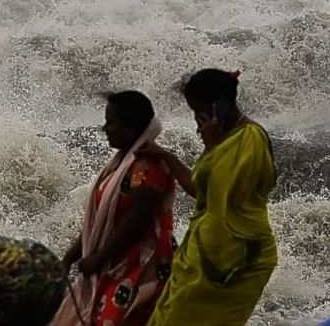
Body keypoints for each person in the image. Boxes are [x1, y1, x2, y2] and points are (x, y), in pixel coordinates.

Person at [147, 69, 278, 326]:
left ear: (220, 105)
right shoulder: (223, 140)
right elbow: (200, 190)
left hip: (238, 258)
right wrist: (165, 156)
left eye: (200, 110)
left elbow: (225, 195)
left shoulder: (250, 139)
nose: (197, 119)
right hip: (205, 255)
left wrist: (212, 146)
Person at [51, 90, 176, 326]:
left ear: (131, 128)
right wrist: (70, 258)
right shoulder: (120, 166)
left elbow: (138, 220)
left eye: (111, 123)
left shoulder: (146, 166)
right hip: (117, 263)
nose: (105, 129)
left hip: (141, 268)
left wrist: (99, 257)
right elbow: (99, 223)